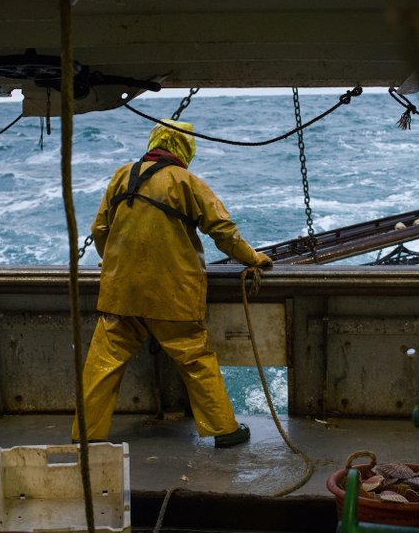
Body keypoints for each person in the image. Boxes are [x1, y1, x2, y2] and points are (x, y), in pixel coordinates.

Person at [73, 119, 273, 448]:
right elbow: (222, 231)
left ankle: (86, 434)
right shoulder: (187, 182)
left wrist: (113, 261)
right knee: (195, 358)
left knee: (102, 364)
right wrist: (253, 258)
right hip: (172, 296)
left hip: (121, 292)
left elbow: (100, 230)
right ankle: (224, 430)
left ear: (154, 141)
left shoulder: (123, 175)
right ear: (186, 147)